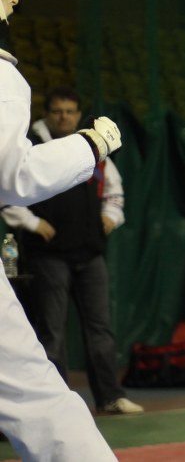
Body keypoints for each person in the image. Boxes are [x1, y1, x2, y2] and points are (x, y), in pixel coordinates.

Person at [0, 0, 121, 461]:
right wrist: (90, 146)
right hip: (49, 254)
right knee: (36, 394)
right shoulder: (2, 76)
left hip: (83, 252)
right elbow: (13, 175)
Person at [1, 87, 143, 416]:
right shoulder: (29, 145)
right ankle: (55, 404)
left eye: (70, 111)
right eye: (58, 111)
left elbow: (114, 192)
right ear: (47, 114)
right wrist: (32, 223)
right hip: (48, 256)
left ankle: (110, 396)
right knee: (52, 331)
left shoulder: (93, 148)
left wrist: (111, 217)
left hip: (90, 254)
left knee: (101, 329)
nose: (64, 117)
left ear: (79, 115)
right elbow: (6, 189)